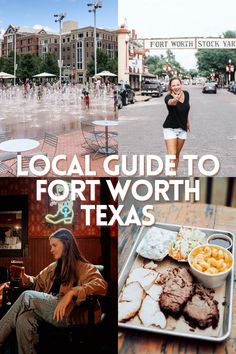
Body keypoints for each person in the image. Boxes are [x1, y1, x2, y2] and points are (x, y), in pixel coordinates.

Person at [0, 228, 107, 354]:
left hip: (69, 313)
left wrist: (72, 292)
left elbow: (101, 285)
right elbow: (37, 282)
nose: (51, 250)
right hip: (49, 309)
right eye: (51, 246)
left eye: (54, 245)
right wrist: (25, 277)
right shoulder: (53, 267)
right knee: (23, 319)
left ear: (66, 244)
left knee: (26, 296)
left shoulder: (84, 267)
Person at [163, 77, 190, 173]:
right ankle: (171, 177)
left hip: (182, 129)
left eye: (178, 84)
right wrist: (175, 99)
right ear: (170, 87)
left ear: (181, 84)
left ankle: (174, 173)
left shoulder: (186, 94)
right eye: (173, 85)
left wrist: (187, 122)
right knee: (172, 154)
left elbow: (186, 109)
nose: (176, 87)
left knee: (177, 154)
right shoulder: (168, 97)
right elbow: (171, 103)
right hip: (170, 128)